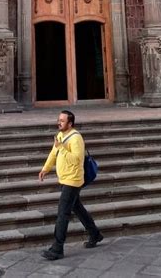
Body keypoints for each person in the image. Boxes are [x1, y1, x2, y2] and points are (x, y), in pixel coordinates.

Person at [38, 109, 103, 260]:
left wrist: (61, 148)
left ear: (70, 123)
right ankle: (95, 234)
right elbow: (53, 153)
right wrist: (45, 169)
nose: (58, 123)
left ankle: (57, 248)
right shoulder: (60, 135)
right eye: (58, 120)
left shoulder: (76, 138)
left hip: (73, 180)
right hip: (64, 178)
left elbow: (77, 160)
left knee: (63, 213)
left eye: (62, 121)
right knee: (78, 208)